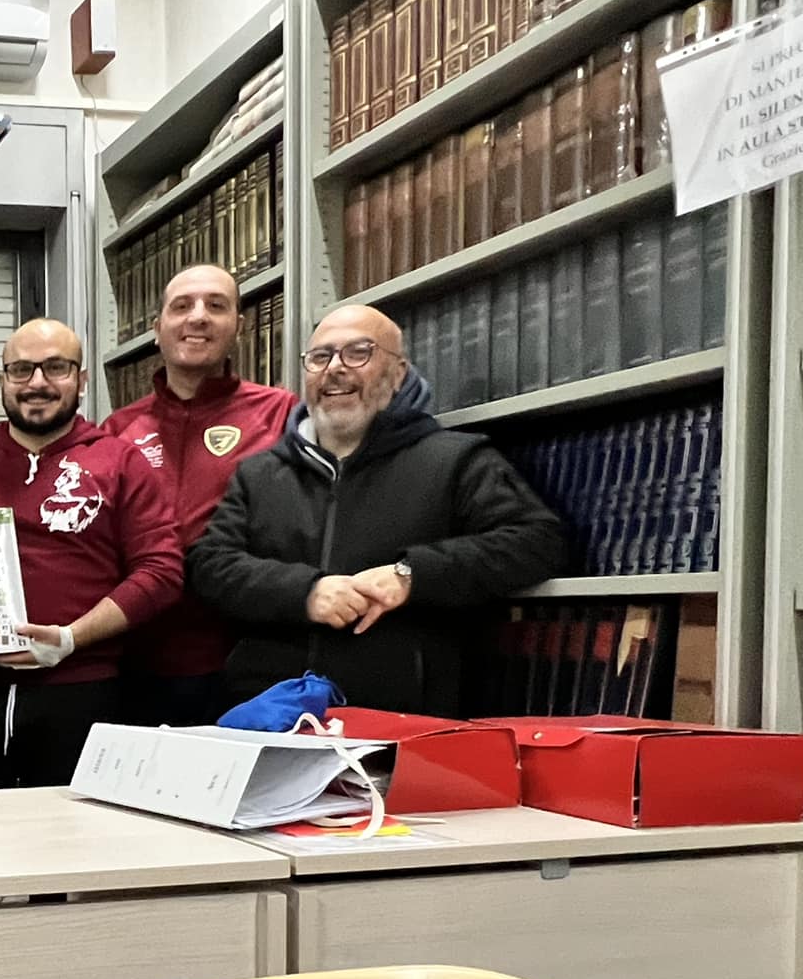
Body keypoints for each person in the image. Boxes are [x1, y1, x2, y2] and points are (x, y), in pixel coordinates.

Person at [189, 304, 563, 716]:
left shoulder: (455, 460)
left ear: (398, 372)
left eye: (358, 353)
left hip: (401, 725)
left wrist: (411, 576)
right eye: (320, 357)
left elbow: (537, 541)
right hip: (265, 717)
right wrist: (305, 592)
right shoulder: (258, 474)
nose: (335, 369)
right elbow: (209, 565)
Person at [0, 318, 184, 789]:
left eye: (56, 368)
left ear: (81, 380)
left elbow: (162, 571)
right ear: (3, 381)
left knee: (75, 846)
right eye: (22, 370)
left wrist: (71, 639)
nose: (38, 383)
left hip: (83, 691)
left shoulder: (121, 461)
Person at [105, 265, 297, 724]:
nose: (198, 317)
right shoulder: (116, 430)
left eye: (216, 305)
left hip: (245, 663)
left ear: (239, 327)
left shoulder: (283, 414)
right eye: (182, 306)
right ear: (158, 330)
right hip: (135, 661)